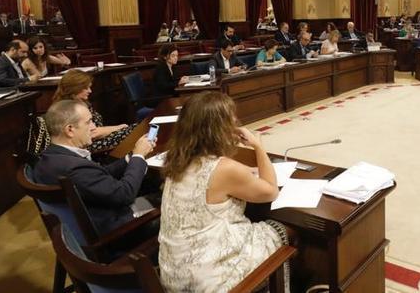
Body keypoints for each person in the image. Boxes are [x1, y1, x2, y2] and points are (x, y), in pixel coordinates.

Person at [158, 92, 291, 292]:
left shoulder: (175, 160)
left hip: (173, 275)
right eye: (231, 119)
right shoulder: (224, 168)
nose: (235, 123)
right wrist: (258, 146)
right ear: (218, 130)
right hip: (208, 283)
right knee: (278, 231)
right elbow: (271, 191)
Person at [33, 99, 156, 234]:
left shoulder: (50, 157)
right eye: (88, 122)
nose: (93, 127)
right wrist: (138, 157)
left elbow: (99, 175)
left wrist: (131, 156)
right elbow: (125, 194)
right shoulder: (75, 168)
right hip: (117, 230)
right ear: (70, 130)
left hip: (99, 216)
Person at [52, 70, 136, 153]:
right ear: (75, 88)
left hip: (99, 139)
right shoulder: (68, 108)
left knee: (136, 129)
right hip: (89, 146)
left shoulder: (83, 102)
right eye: (86, 88)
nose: (90, 91)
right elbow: (92, 133)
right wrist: (119, 127)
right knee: (133, 131)